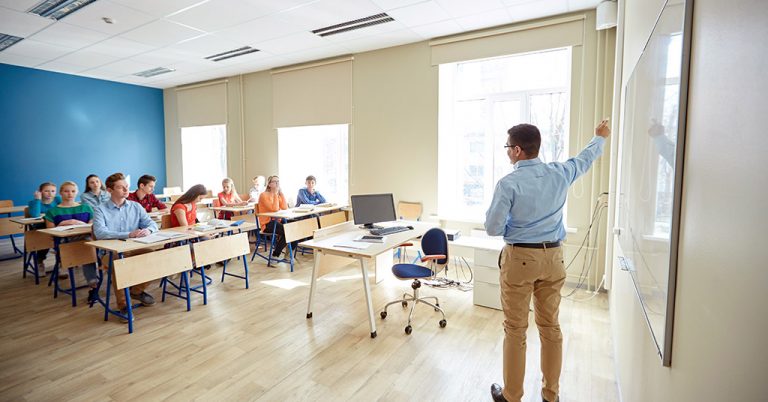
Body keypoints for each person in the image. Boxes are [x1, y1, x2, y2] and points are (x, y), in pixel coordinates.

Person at [485, 120, 611, 402]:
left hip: (520, 259)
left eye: (507, 147)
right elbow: (585, 159)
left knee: (516, 329)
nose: (506, 152)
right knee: (550, 326)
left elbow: (493, 228)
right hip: (554, 257)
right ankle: (550, 395)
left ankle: (512, 396)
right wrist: (599, 138)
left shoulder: (509, 183)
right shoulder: (560, 172)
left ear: (517, 150)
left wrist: (515, 231)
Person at [93, 172, 159, 321]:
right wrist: (128, 234)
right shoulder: (100, 209)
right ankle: (123, 306)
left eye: (126, 187)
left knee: (153, 255)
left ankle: (136, 291)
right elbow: (100, 232)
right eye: (121, 187)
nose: (125, 190)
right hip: (109, 253)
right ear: (109, 190)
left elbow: (152, 223)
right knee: (119, 263)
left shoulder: (136, 206)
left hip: (133, 248)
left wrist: (148, 230)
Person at [44, 181, 99, 302]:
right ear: (60, 193)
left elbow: (93, 226)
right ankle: (94, 284)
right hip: (65, 242)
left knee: (88, 246)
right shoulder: (52, 211)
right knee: (87, 248)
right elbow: (50, 233)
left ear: (77, 192)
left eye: (73, 191)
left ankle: (93, 287)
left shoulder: (86, 207)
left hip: (85, 240)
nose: (70, 194)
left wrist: (80, 223)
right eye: (66, 191)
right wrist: (62, 224)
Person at [28, 182, 61, 276]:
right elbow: (35, 215)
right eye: (46, 191)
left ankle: (62, 263)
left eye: (53, 191)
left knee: (63, 240)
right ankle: (39, 262)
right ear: (40, 191)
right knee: (45, 239)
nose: (50, 193)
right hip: (41, 228)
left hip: (57, 227)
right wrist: (37, 200)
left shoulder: (58, 199)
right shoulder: (34, 202)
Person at [258, 175, 295, 258]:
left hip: (277, 221)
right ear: (269, 184)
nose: (277, 183)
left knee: (295, 226)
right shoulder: (263, 195)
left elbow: (285, 207)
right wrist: (275, 193)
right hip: (267, 223)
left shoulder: (277, 195)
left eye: (278, 181)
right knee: (287, 231)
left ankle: (290, 250)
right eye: (275, 181)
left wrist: (280, 193)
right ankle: (276, 254)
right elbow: (274, 209)